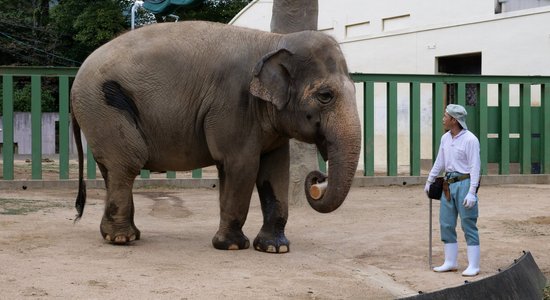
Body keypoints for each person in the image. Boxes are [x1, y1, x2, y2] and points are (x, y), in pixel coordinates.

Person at [424, 104, 481, 277]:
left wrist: (472, 191)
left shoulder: (470, 139)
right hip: (447, 185)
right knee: (446, 223)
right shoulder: (445, 138)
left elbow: (475, 167)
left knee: (468, 223)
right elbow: (439, 161)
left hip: (464, 183)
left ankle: (474, 265)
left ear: (454, 120)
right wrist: (430, 179)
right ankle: (450, 261)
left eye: (445, 116)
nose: (443, 119)